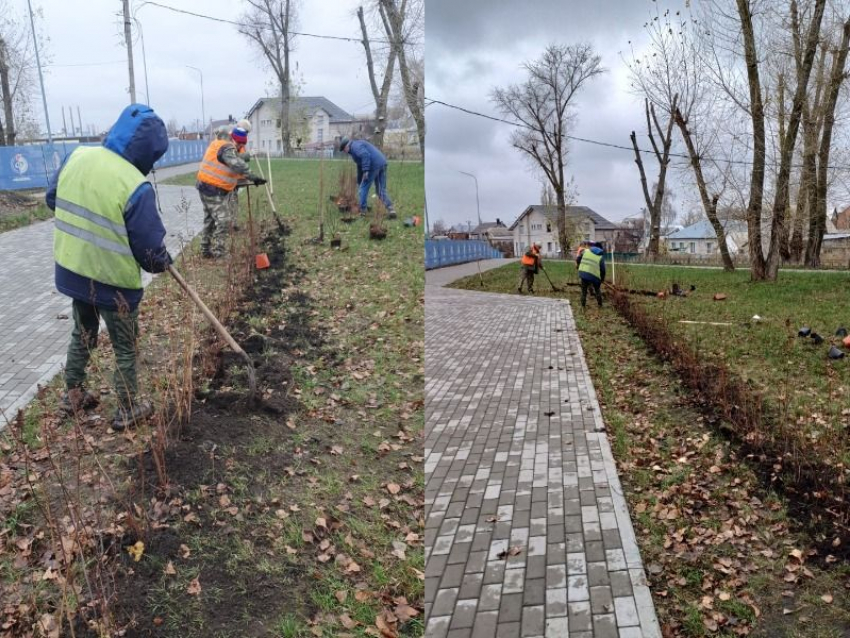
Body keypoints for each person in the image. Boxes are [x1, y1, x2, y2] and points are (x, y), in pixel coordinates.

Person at [47, 103, 172, 430]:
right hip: (113, 282)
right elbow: (150, 253)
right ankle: (128, 408)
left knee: (83, 331)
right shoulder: (134, 184)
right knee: (125, 346)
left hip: (74, 271)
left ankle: (72, 393)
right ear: (150, 154)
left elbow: (52, 199)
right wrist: (162, 259)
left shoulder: (78, 156)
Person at [196, 126, 266, 258]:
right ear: (235, 140)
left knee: (209, 220)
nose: (240, 146)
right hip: (212, 188)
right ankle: (219, 252)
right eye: (240, 143)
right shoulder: (227, 147)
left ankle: (205, 250)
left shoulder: (220, 143)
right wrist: (254, 177)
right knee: (224, 220)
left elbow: (235, 159)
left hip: (205, 186)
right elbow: (237, 164)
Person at [338, 136, 396, 218]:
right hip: (382, 163)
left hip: (373, 166)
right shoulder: (356, 146)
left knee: (362, 189)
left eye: (344, 150)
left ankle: (363, 211)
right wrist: (359, 180)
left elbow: (365, 155)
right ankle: (391, 209)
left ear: (347, 146)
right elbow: (360, 165)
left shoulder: (355, 147)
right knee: (380, 189)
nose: (345, 152)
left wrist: (366, 171)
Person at [577, 241, 606, 309]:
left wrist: (579, 264)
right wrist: (602, 279)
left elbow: (578, 258)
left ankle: (583, 305)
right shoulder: (600, 257)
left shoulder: (586, 251)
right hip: (594, 277)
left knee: (584, 291)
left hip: (583, 273)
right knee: (597, 289)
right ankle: (600, 304)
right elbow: (603, 270)